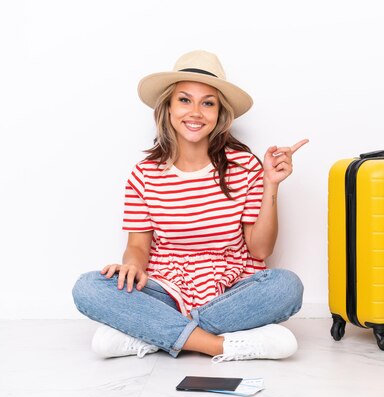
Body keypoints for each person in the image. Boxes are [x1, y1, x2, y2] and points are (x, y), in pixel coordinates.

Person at [72, 50, 308, 362]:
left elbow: (261, 250)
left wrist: (270, 184)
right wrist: (131, 265)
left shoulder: (246, 167)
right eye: (184, 100)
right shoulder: (144, 175)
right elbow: (138, 247)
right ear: (168, 108)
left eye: (207, 102)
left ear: (219, 112)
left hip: (229, 292)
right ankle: (218, 345)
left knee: (285, 287)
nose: (195, 111)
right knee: (88, 287)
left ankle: (154, 335)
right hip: (167, 292)